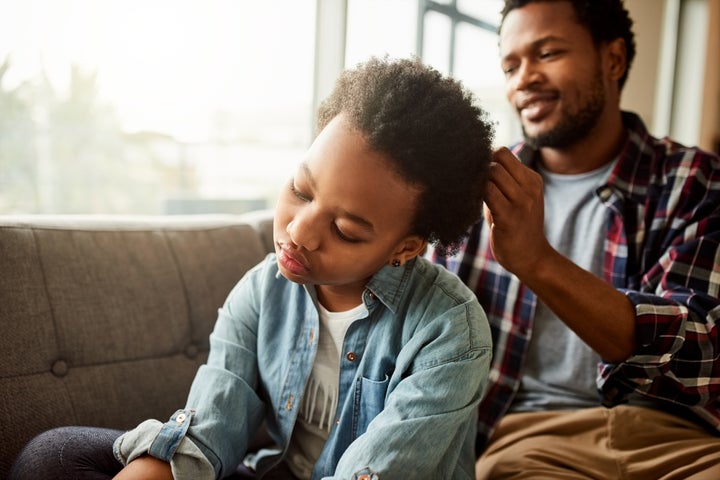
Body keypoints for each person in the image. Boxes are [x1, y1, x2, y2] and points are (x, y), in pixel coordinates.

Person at [9, 56, 496, 480]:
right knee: (54, 458)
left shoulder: (451, 330)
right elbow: (208, 433)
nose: (299, 233)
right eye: (301, 191)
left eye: (346, 230)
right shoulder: (264, 289)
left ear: (405, 248)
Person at [433, 0, 720, 478]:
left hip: (676, 439)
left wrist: (537, 261)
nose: (523, 78)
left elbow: (702, 349)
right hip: (531, 437)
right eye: (511, 65)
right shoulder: (475, 189)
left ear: (613, 60)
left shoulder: (696, 181)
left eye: (547, 54)